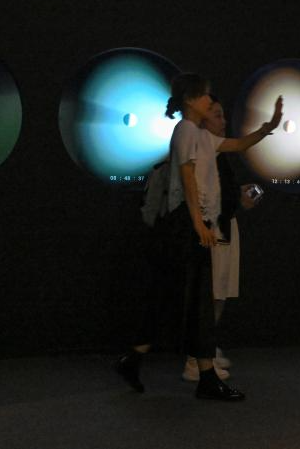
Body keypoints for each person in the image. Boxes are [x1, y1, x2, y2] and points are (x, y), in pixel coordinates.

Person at [116, 73, 281, 401]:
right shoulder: (186, 131)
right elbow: (187, 178)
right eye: (205, 96)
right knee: (198, 300)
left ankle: (135, 360)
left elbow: (237, 145)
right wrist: (199, 224)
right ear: (191, 100)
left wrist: (268, 127)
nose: (210, 100)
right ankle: (204, 376)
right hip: (185, 226)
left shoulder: (200, 136)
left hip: (186, 226)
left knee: (173, 298)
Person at [180, 96, 262, 382]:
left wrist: (237, 196)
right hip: (212, 231)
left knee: (219, 295)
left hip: (223, 228)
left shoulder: (215, 151)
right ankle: (196, 360)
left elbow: (220, 191)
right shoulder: (199, 148)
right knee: (210, 296)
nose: (223, 121)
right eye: (217, 115)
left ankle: (206, 351)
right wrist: (268, 127)